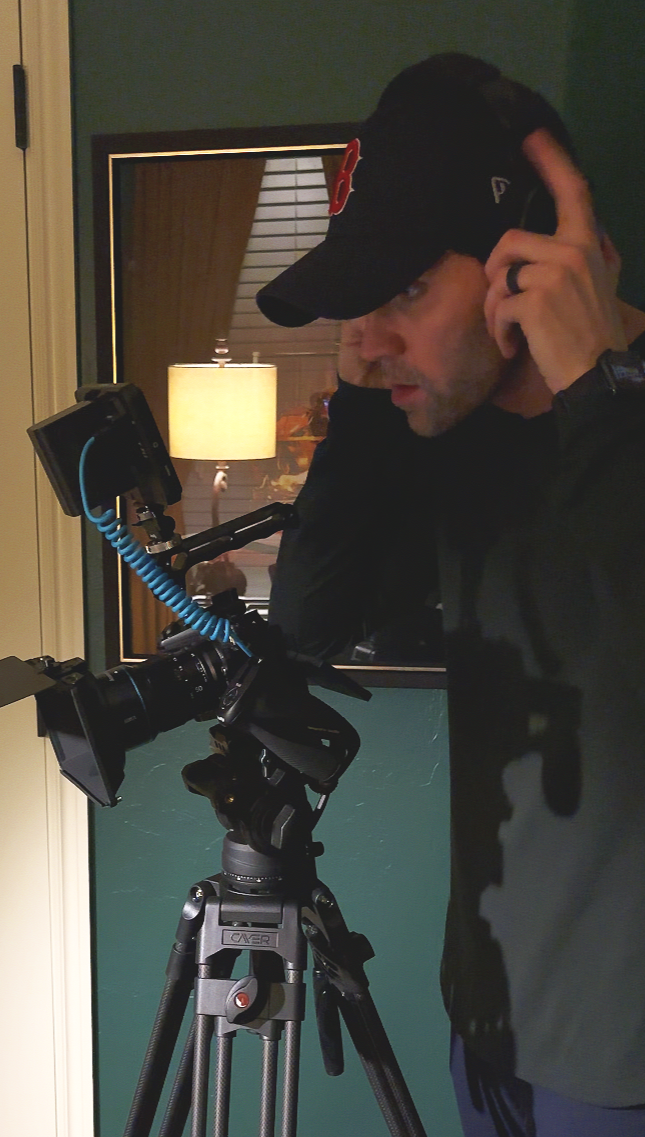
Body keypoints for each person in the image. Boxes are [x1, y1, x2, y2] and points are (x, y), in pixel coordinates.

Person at [255, 53, 645, 1137]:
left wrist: (598, 397)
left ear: (532, 263)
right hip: (490, 1022)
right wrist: (368, 381)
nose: (372, 338)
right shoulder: (453, 440)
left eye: (407, 292)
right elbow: (312, 620)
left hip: (621, 1062)